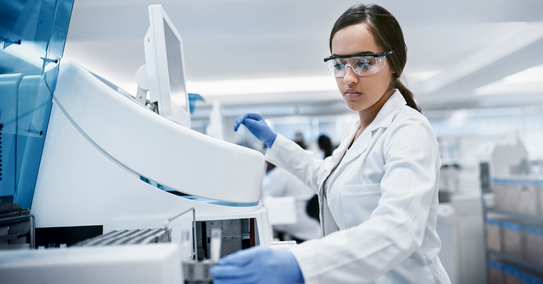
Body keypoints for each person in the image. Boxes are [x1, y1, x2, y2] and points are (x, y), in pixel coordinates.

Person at [211, 3, 451, 284]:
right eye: (339, 64)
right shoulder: (359, 130)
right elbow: (324, 177)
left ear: (394, 62)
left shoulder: (409, 131)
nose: (348, 78)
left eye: (364, 62)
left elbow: (400, 228)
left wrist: (301, 263)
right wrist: (274, 141)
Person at [264, 161, 321, 243]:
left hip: (298, 218)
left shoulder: (279, 173)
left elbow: (269, 196)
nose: (266, 165)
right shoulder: (289, 168)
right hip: (309, 219)